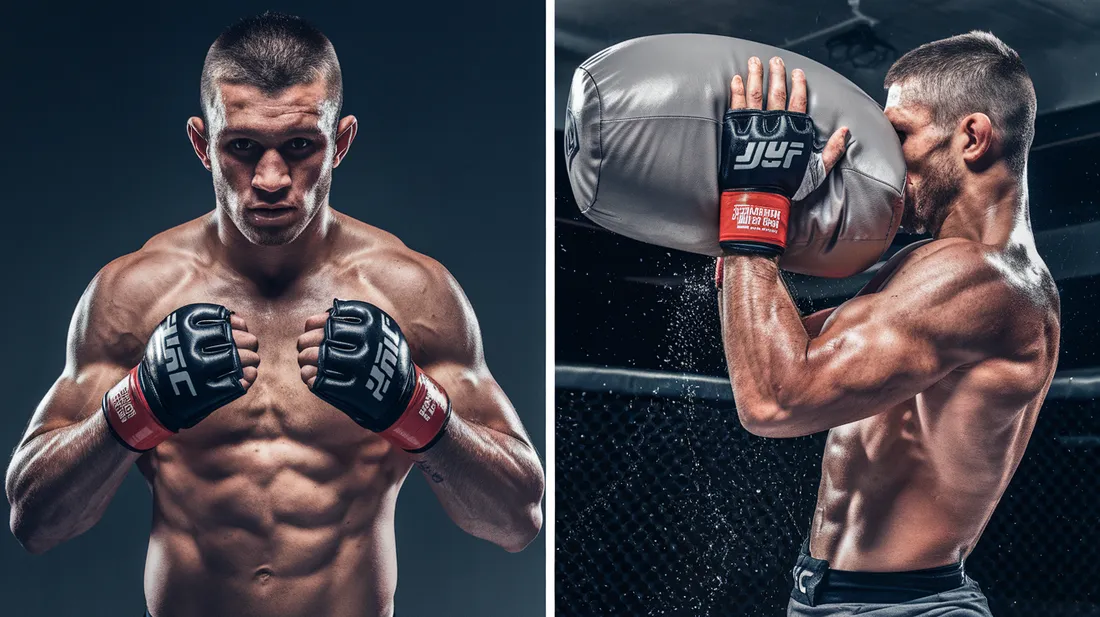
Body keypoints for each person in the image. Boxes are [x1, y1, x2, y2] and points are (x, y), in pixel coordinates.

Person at [5, 12, 544, 617]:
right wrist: (137, 407)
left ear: (339, 142)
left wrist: (415, 409)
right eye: (241, 147)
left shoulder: (412, 293)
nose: (270, 179)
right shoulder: (135, 293)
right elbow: (33, 520)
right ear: (200, 142)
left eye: (299, 147)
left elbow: (518, 520)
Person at [714, 32, 1059, 616]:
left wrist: (755, 205)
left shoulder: (985, 280)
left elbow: (775, 399)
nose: (884, 157)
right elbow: (774, 345)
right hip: (841, 599)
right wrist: (767, 215)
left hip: (903, 606)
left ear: (972, 137)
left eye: (900, 134)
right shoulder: (930, 266)